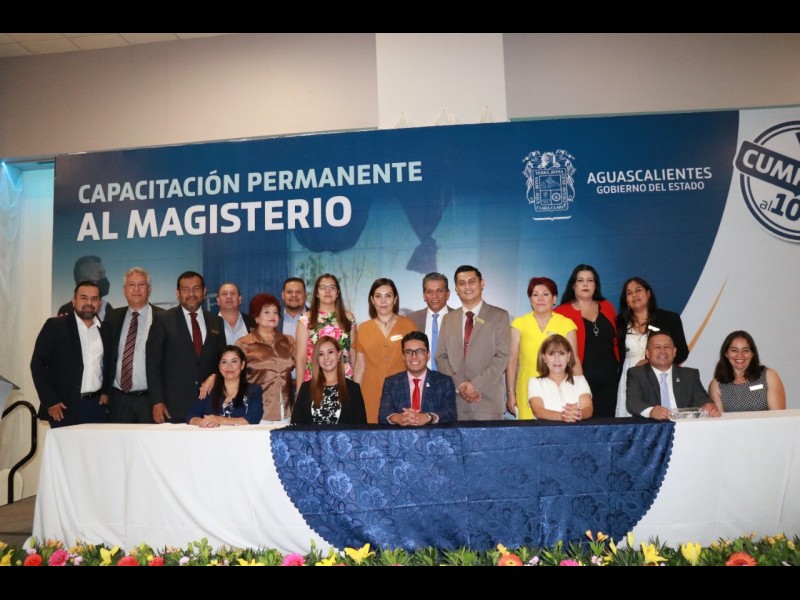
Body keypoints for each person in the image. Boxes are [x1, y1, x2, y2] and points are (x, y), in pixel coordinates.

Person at [146, 271, 227, 424]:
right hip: (173, 406)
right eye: (185, 289)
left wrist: (215, 375)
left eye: (196, 289)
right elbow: (152, 365)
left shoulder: (216, 321)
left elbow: (222, 359)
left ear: (204, 292)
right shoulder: (163, 320)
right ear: (178, 293)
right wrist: (157, 401)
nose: (191, 294)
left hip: (209, 405)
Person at [435, 265, 510, 421]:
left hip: (487, 402)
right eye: (462, 283)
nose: (467, 287)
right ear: (456, 289)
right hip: (456, 403)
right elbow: (441, 357)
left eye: (472, 281)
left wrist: (476, 386)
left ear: (482, 283)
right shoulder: (448, 319)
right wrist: (460, 386)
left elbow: (502, 356)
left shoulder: (499, 316)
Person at [31, 281, 109, 427]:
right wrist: (50, 400)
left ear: (99, 303)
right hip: (63, 408)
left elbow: (108, 365)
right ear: (74, 301)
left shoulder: (104, 330)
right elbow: (37, 364)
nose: (89, 303)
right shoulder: (55, 326)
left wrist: (106, 392)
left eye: (94, 299)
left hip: (97, 408)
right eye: (84, 298)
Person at [614, 277, 690, 418]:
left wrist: (651, 363)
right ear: (626, 300)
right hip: (629, 375)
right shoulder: (620, 321)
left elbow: (682, 353)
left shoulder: (669, 318)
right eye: (629, 293)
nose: (634, 295)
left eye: (638, 290)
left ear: (648, 294)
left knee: (659, 416)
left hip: (659, 375)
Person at [507, 277, 581, 420]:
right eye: (535, 295)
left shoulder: (566, 324)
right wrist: (511, 393)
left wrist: (580, 391)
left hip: (560, 385)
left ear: (554, 298)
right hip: (526, 386)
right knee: (528, 431)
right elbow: (512, 361)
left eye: (545, 294)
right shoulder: (519, 323)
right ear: (530, 299)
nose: (540, 299)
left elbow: (574, 361)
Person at [554, 265, 619, 418]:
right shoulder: (561, 312)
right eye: (580, 280)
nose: (585, 284)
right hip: (579, 381)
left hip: (610, 381)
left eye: (590, 280)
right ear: (573, 285)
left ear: (595, 285)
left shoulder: (607, 307)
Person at [102, 267, 164, 423]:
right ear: (124, 290)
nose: (136, 289)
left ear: (149, 289)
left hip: (150, 400)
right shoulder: (112, 317)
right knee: (118, 439)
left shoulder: (164, 317)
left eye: (141, 284)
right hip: (118, 399)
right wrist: (105, 392)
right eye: (131, 285)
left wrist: (159, 400)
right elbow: (106, 357)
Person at [352, 278, 417, 423]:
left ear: (395, 299)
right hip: (369, 392)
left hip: (401, 391)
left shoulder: (408, 325)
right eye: (378, 296)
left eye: (388, 296)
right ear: (372, 300)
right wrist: (354, 397)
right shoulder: (364, 328)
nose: (383, 301)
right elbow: (359, 366)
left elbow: (416, 363)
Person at [626, 331, 720, 420]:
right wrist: (650, 411)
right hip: (652, 427)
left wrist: (708, 406)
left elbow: (701, 398)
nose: (662, 351)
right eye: (657, 347)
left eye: (667, 347)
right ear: (647, 353)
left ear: (674, 352)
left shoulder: (689, 375)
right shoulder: (637, 374)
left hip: (685, 425)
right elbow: (633, 402)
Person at [235, 293, 296, 421]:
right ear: (256, 317)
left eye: (275, 312)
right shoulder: (243, 343)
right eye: (267, 312)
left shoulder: (288, 341)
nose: (272, 316)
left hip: (288, 411)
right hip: (258, 411)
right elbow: (236, 378)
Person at [378, 331, 457, 426]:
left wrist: (429, 417)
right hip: (401, 434)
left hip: (433, 434)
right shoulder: (391, 383)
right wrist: (398, 418)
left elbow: (451, 413)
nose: (414, 357)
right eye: (408, 352)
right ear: (403, 357)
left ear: (428, 355)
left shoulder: (444, 382)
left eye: (420, 351)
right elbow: (383, 414)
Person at [295, 273, 357, 384]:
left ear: (337, 293)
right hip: (314, 380)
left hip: (344, 380)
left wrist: (356, 385)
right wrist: (300, 389)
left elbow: (353, 353)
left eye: (332, 287)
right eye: (323, 287)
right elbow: (300, 358)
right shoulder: (306, 319)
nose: (327, 291)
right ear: (317, 293)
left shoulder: (348, 317)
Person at [291, 335, 367, 425]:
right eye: (321, 354)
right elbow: (295, 425)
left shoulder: (353, 388)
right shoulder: (305, 388)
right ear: (317, 359)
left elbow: (361, 427)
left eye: (330, 352)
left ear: (339, 355)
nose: (326, 357)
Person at [708, 330, 786, 412]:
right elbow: (720, 419)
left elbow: (778, 415)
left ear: (752, 353)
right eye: (734, 350)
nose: (740, 355)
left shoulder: (769, 376)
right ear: (726, 353)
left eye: (745, 350)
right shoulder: (716, 385)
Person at [187, 346, 263, 426]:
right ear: (219, 367)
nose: (229, 366)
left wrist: (219, 420)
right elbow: (191, 416)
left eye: (234, 361)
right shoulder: (209, 390)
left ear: (242, 365)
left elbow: (253, 419)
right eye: (224, 362)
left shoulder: (254, 390)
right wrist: (205, 423)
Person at [528, 334, 593, 422]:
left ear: (569, 356)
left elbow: (588, 409)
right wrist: (563, 416)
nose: (557, 359)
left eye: (562, 353)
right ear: (544, 358)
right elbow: (538, 411)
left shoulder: (580, 380)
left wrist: (578, 414)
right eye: (551, 354)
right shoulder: (535, 382)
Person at [407, 272, 453, 371]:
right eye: (429, 292)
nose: (434, 296)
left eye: (439, 291)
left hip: (452, 378)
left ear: (448, 294)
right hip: (420, 377)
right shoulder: (410, 320)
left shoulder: (460, 318)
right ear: (424, 295)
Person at [57, 255, 113, 320]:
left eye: (104, 274)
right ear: (83, 281)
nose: (104, 279)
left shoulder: (107, 308)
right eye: (99, 275)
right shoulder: (67, 312)